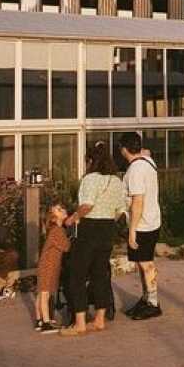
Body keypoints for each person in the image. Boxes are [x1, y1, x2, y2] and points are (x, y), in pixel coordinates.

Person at [62, 140, 128, 337]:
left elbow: (87, 205)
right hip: (108, 228)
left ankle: (80, 322)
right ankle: (99, 319)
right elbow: (120, 210)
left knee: (77, 275)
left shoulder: (90, 179)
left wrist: (73, 218)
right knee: (100, 274)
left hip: (89, 228)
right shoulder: (116, 181)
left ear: (90, 160)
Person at [118, 132, 163, 320]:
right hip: (152, 220)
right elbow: (147, 152)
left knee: (145, 264)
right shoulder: (148, 161)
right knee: (143, 262)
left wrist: (132, 231)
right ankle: (146, 298)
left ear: (123, 149)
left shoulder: (135, 170)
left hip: (142, 224)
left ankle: (153, 302)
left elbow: (138, 202)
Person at [34, 201, 70, 334]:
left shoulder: (53, 230)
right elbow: (66, 247)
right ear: (54, 217)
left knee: (42, 293)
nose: (63, 210)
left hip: (47, 264)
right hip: (49, 265)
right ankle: (46, 322)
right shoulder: (58, 231)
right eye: (59, 209)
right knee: (45, 293)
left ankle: (39, 319)